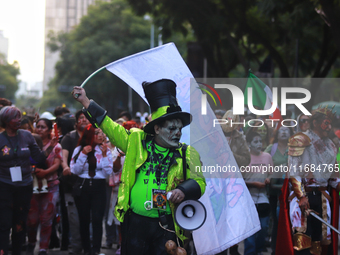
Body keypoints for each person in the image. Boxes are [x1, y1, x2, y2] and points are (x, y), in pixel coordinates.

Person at [72, 78, 206, 255]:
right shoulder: (136, 141)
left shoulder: (187, 153)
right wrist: (85, 101)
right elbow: (111, 128)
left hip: (167, 226)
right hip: (135, 223)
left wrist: (183, 190)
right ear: (157, 128)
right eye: (172, 128)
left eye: (179, 129)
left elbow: (200, 182)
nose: (178, 133)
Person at [277, 107, 340, 255]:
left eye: (330, 123)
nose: (329, 127)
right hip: (302, 199)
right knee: (302, 242)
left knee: (318, 245)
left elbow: (333, 177)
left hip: (322, 199)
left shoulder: (331, 145)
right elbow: (293, 172)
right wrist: (301, 196)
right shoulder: (299, 139)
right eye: (326, 123)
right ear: (315, 122)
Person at [0, 106, 48, 255]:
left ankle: (17, 252)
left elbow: (39, 158)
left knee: (20, 223)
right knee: (5, 223)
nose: (19, 120)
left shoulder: (27, 136)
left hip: (24, 186)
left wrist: (51, 146)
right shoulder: (0, 139)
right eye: (15, 117)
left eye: (19, 116)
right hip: (4, 186)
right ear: (6, 121)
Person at [70, 124, 113, 255]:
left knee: (97, 218)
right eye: (96, 133)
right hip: (83, 185)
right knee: (83, 219)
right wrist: (83, 154)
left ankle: (96, 249)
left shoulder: (105, 150)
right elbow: (75, 170)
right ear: (89, 135)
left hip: (99, 186)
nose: (100, 136)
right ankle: (86, 249)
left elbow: (108, 172)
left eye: (101, 133)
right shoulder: (79, 149)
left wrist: (105, 155)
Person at [26, 118, 62, 255]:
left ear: (49, 130)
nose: (40, 129)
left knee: (46, 219)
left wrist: (45, 172)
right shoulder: (29, 144)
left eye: (43, 127)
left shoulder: (56, 146)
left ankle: (43, 248)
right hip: (32, 187)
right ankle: (30, 243)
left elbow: (57, 163)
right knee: (31, 219)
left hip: (50, 186)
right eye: (38, 126)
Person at [60, 110, 90, 254]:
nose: (84, 120)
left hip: (89, 186)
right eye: (81, 118)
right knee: (74, 218)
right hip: (71, 184)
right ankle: (77, 247)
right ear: (76, 122)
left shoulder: (94, 138)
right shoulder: (69, 137)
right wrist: (65, 167)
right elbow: (63, 156)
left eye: (87, 118)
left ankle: (89, 247)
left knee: (89, 218)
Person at [264, 125, 294, 255]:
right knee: (275, 219)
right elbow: (263, 164)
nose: (283, 132)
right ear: (276, 134)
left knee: (289, 219)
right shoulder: (271, 149)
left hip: (290, 191)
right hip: (274, 191)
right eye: (281, 130)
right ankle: (275, 248)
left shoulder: (294, 149)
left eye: (286, 130)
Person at [243, 131, 273, 255]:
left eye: (260, 141)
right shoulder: (243, 158)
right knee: (250, 230)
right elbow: (238, 180)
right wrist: (252, 183)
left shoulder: (267, 157)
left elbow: (271, 172)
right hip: (248, 198)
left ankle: (259, 250)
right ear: (249, 143)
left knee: (264, 227)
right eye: (255, 141)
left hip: (263, 197)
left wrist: (269, 179)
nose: (259, 144)